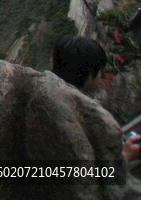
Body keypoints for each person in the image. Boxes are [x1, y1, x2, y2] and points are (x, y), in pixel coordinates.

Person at [51, 36, 141, 166]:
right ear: (89, 76)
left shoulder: (49, 96)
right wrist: (125, 156)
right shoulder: (73, 116)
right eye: (99, 71)